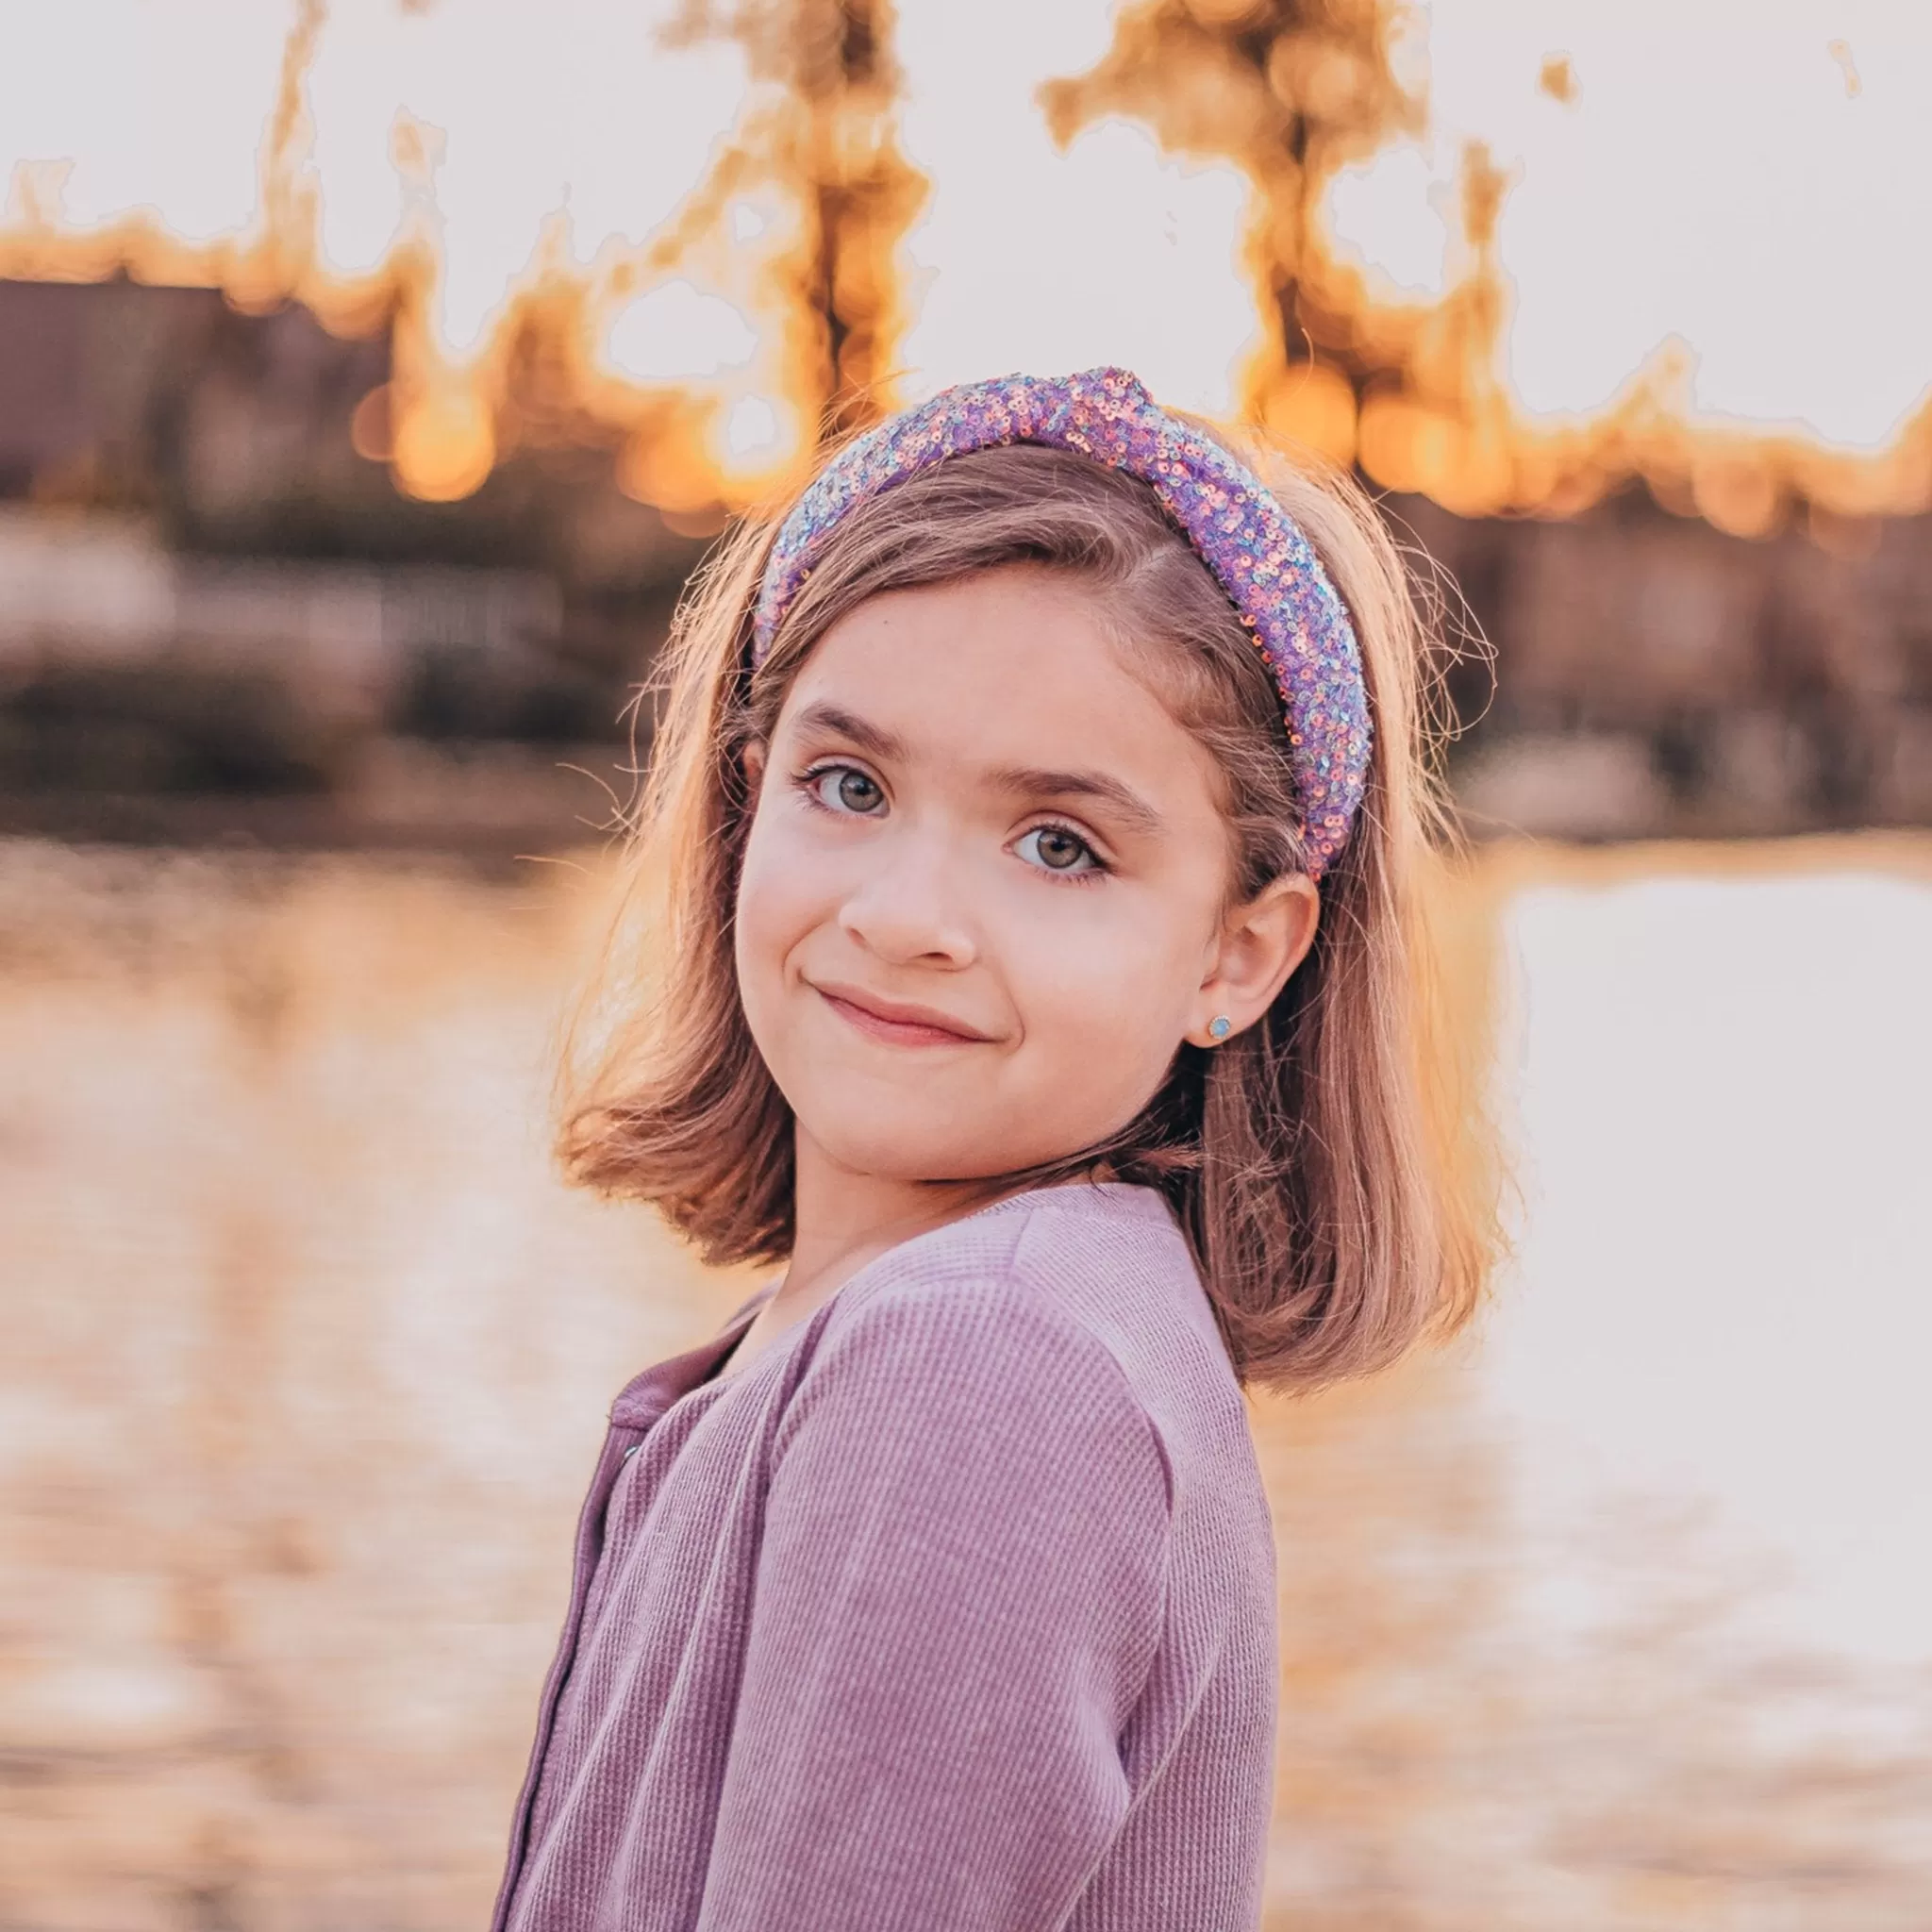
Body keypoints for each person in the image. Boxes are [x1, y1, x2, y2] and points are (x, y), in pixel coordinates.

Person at [490, 367, 1495, 1932]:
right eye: (849, 785)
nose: (904, 919)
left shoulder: (986, 1364)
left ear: (1241, 953)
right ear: (746, 801)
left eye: (1058, 845)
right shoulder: (904, 1329)